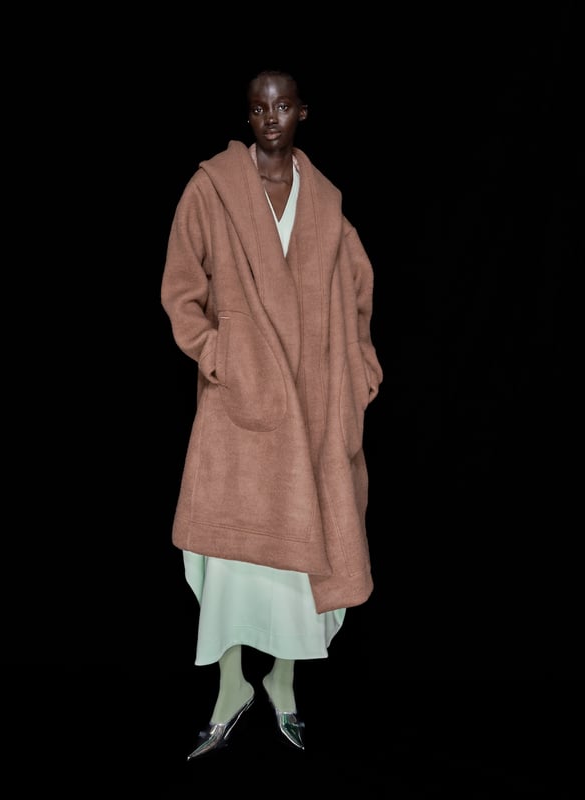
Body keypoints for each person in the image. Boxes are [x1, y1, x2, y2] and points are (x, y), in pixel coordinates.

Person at [160, 68, 383, 760]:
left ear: (302, 113)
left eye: (283, 106)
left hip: (310, 407)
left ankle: (282, 680)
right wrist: (218, 353)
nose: (271, 118)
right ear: (248, 116)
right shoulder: (212, 189)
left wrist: (360, 368)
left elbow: (358, 290)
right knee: (230, 555)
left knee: (300, 560)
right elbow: (180, 288)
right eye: (260, 108)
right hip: (240, 405)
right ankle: (231, 686)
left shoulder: (326, 202)